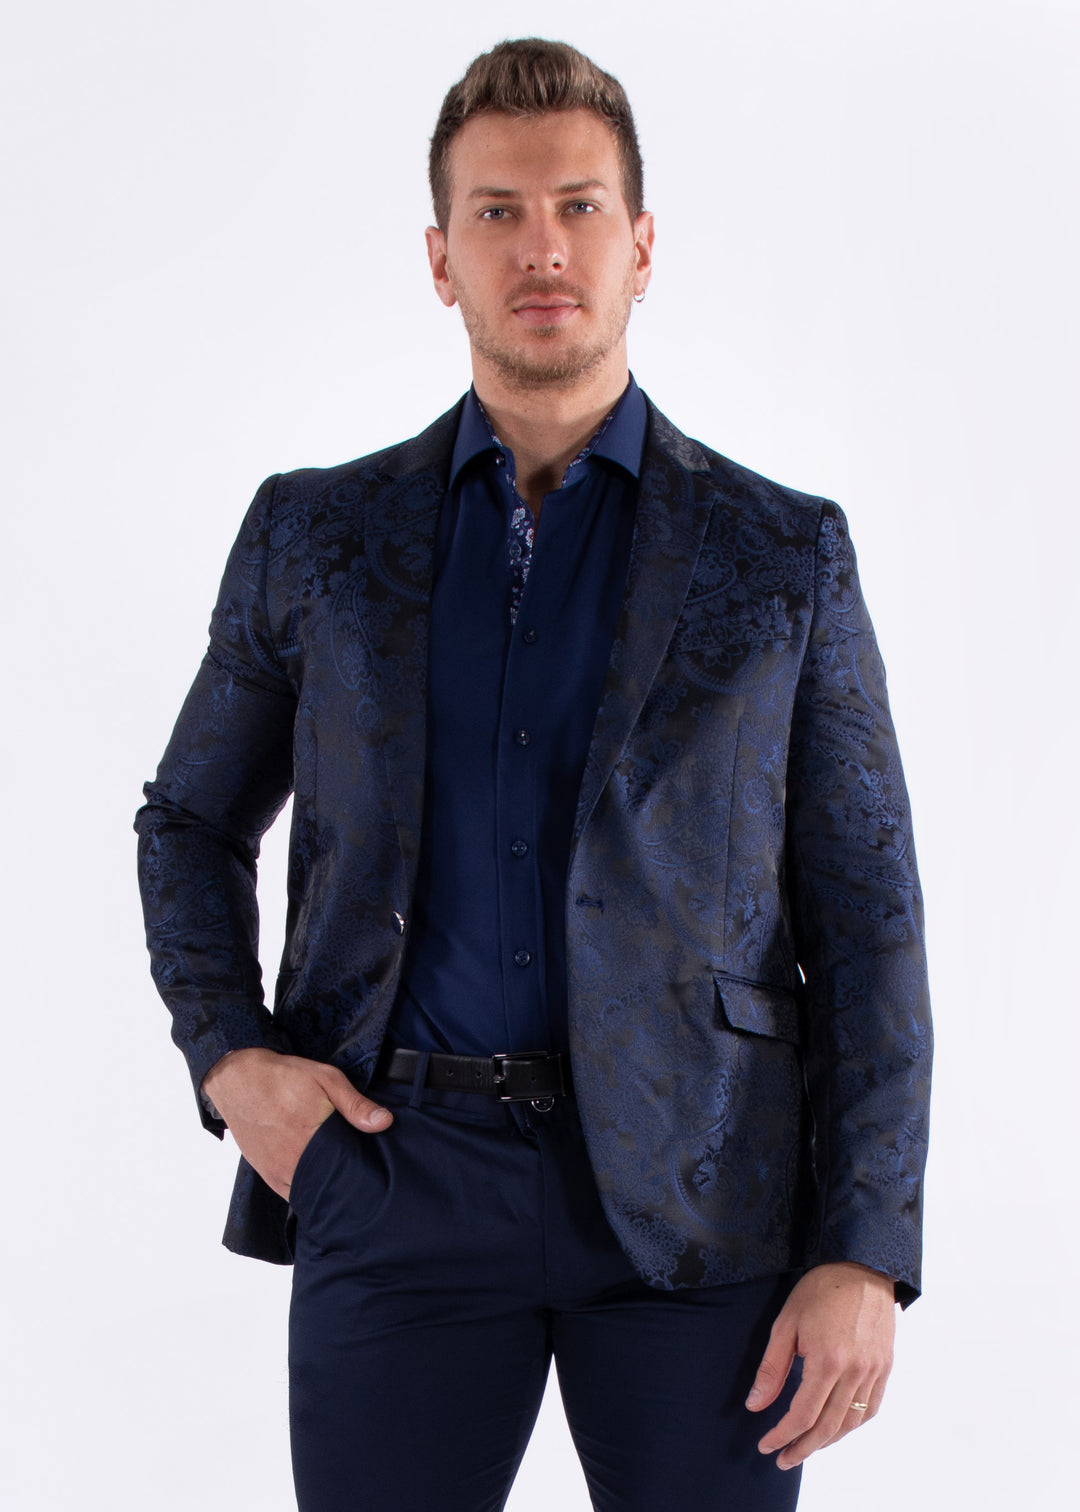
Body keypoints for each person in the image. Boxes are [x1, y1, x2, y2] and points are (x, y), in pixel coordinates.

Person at [135, 37, 932, 1512]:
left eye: (579, 207)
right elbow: (188, 820)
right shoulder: (316, 536)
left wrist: (865, 1247)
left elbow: (868, 916)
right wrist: (228, 1057)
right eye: (497, 212)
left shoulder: (782, 554)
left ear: (642, 246)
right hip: (397, 1176)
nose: (542, 247)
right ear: (442, 259)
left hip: (704, 1200)